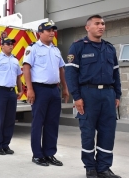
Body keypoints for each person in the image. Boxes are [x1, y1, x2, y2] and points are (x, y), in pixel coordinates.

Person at [65, 15, 122, 178]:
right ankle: (90, 168)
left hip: (108, 94)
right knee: (88, 132)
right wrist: (76, 97)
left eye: (103, 23)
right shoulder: (78, 47)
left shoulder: (110, 48)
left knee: (108, 132)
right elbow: (70, 74)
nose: (101, 26)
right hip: (87, 94)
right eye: (97, 23)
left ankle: (104, 168)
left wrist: (117, 94)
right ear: (87, 27)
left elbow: (116, 74)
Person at [23, 22, 69, 166]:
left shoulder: (56, 50)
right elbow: (26, 68)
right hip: (39, 89)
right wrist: (29, 89)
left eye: (53, 30)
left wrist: (65, 88)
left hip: (54, 90)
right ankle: (37, 155)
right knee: (38, 122)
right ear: (39, 33)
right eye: (48, 30)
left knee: (52, 123)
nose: (52, 33)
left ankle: (49, 153)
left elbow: (61, 69)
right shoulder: (33, 48)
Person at [0, 38, 23, 155]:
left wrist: (21, 90)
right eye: (8, 44)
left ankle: (6, 145)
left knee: (10, 120)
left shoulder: (15, 60)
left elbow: (18, 77)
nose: (10, 46)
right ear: (1, 46)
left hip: (11, 93)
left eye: (12, 44)